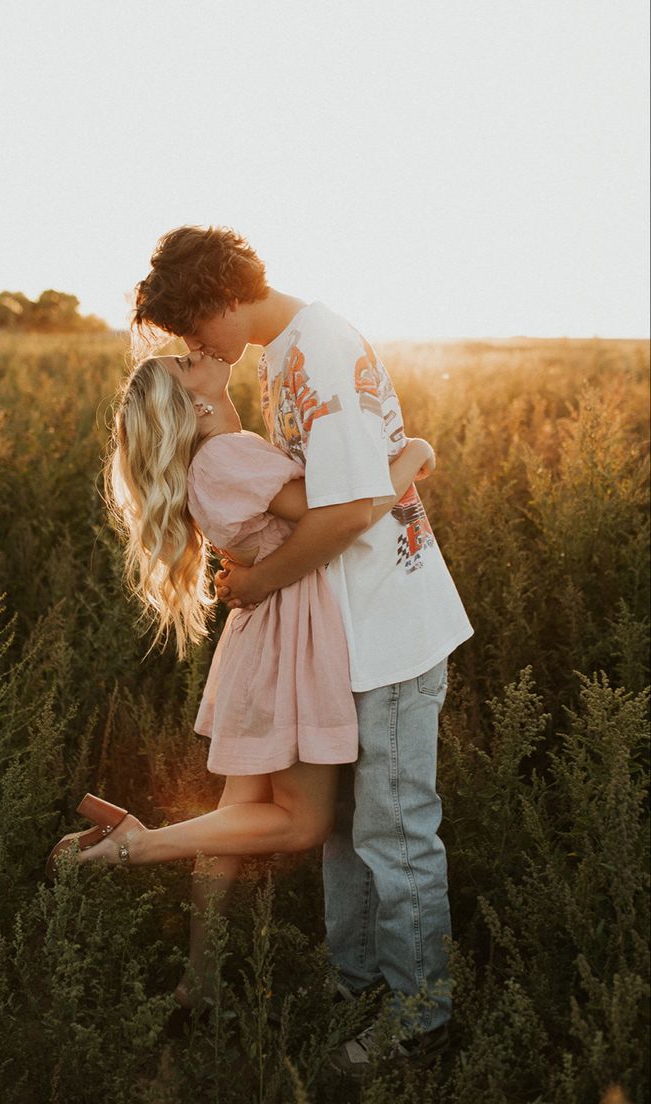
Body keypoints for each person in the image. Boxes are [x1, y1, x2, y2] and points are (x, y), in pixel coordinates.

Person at [130, 225, 474, 1077]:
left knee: (395, 831)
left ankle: (421, 1018)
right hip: (337, 636)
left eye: (190, 329)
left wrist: (255, 582)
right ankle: (358, 986)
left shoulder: (318, 348)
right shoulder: (281, 354)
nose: (193, 347)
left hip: (387, 628)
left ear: (220, 301)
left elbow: (352, 511)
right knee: (346, 833)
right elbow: (316, 491)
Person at [46, 349, 437, 1041]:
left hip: (264, 643)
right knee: (303, 822)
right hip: (293, 645)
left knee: (232, 824)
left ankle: (198, 982)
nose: (197, 352)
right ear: (192, 401)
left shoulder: (219, 458)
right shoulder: (228, 455)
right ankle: (135, 845)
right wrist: (413, 454)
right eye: (183, 361)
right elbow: (340, 516)